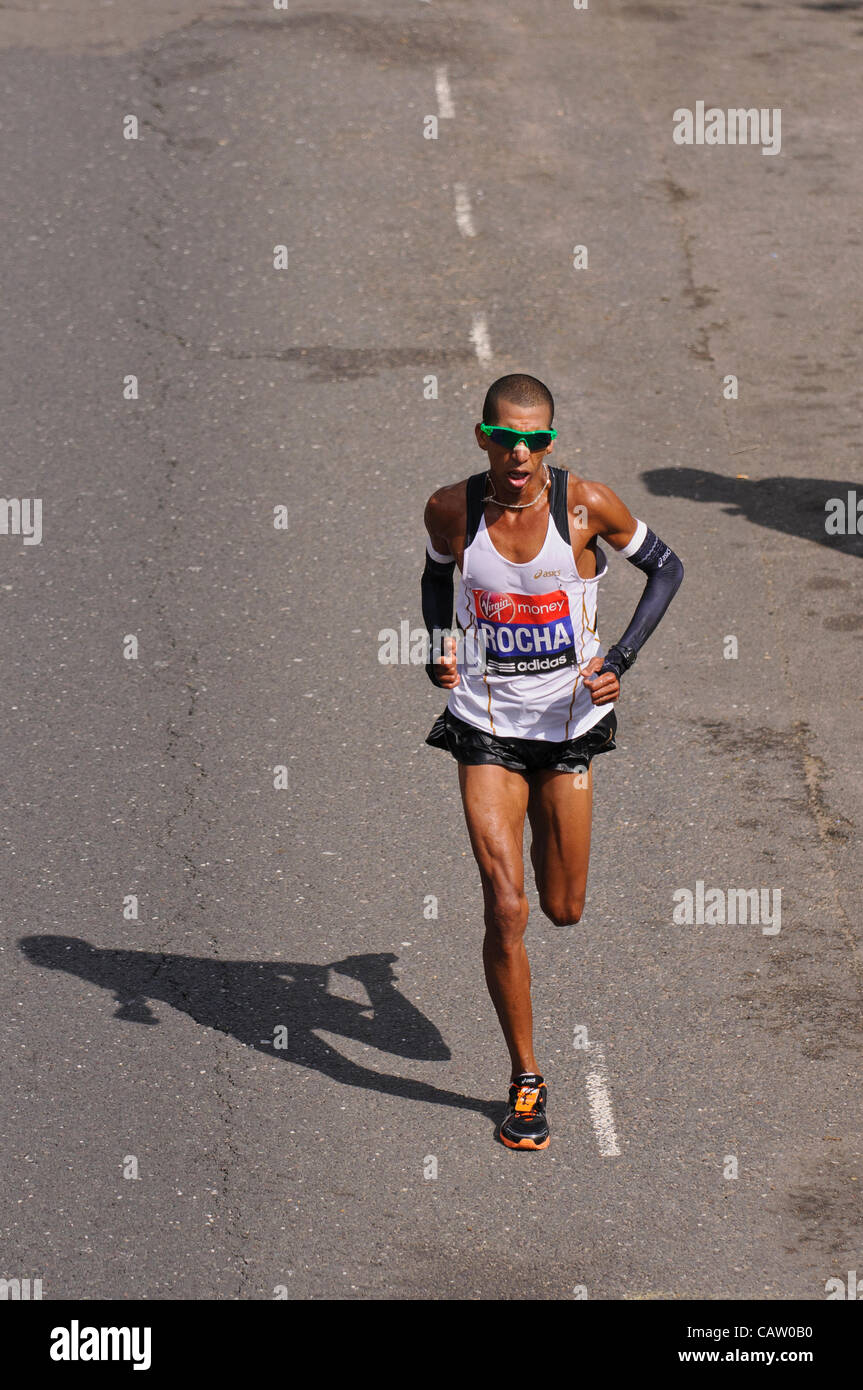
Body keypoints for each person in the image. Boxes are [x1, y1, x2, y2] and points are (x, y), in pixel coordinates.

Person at [421, 373, 683, 1149]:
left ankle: (547, 829)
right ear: (483, 438)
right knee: (507, 908)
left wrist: (623, 658)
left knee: (562, 907)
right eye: (505, 437)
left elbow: (667, 568)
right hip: (486, 728)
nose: (519, 453)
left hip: (570, 731)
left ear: (550, 444)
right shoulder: (450, 508)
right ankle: (525, 1081)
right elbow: (438, 577)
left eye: (534, 439)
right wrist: (440, 640)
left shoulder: (586, 506)